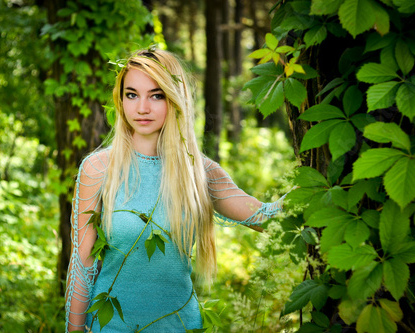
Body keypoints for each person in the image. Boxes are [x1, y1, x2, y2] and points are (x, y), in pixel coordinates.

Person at [65, 48, 288, 333]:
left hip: (179, 326)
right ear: (120, 100)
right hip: (109, 328)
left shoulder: (200, 171)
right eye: (132, 94)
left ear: (175, 98)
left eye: (156, 95)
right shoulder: (97, 169)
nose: (142, 108)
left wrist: (318, 187)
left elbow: (265, 218)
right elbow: (82, 267)